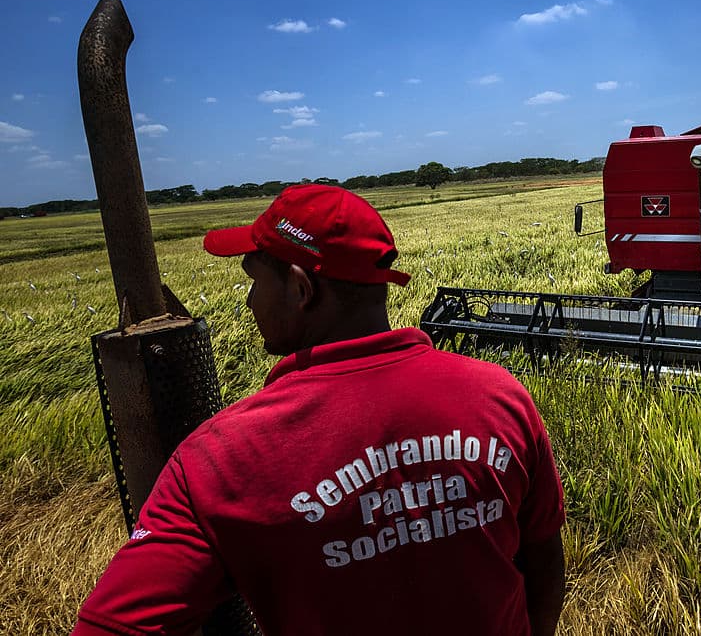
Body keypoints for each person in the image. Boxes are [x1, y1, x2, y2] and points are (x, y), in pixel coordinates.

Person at [73, 184, 566, 636]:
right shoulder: (501, 397)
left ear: (300, 288)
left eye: (254, 280)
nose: (248, 301)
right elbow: (543, 562)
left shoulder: (218, 461)